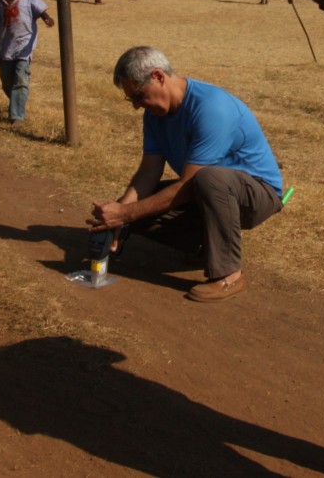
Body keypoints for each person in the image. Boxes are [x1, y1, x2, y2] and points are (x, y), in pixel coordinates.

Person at [86, 47, 284, 303]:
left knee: (208, 179)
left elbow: (189, 185)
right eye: (131, 100)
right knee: (133, 208)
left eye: (138, 95)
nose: (136, 106)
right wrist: (119, 218)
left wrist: (126, 214)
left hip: (257, 194)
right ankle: (207, 246)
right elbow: (148, 172)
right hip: (207, 192)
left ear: (158, 77)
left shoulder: (211, 107)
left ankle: (229, 275)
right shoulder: (154, 115)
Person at [0, 0, 55, 126]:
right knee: (6, 81)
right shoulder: (1, 0)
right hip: (6, 47)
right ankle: (17, 102)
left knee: (20, 79)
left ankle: (17, 116)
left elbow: (42, 12)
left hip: (24, 46)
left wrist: (47, 19)